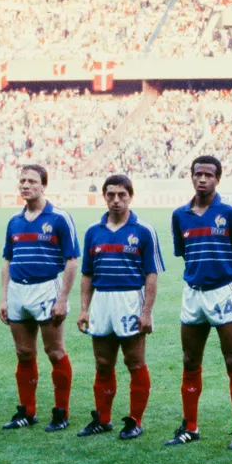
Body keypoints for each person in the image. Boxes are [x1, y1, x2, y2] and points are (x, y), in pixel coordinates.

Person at [166, 156, 232, 450]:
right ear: (191, 177)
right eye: (198, 174)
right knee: (190, 360)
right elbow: (183, 253)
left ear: (218, 179)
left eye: (208, 175)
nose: (202, 179)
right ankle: (190, 427)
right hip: (193, 292)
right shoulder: (180, 215)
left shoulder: (229, 212)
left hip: (223, 292)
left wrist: (231, 286)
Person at [76, 174, 165, 440]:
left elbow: (151, 274)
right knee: (103, 363)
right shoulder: (93, 231)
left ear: (130, 197)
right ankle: (102, 419)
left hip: (129, 300)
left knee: (134, 362)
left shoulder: (143, 230)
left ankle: (135, 420)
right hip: (102, 300)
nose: (116, 200)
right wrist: (84, 309)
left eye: (121, 195)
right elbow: (87, 275)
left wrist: (146, 312)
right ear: (104, 197)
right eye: (111, 195)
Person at [0, 164, 78, 432]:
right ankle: (27, 411)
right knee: (23, 353)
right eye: (22, 180)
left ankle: (61, 411)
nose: (25, 185)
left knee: (55, 352)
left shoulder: (58, 218)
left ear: (43, 185)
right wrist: (3, 298)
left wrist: (63, 298)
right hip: (18, 290)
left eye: (32, 181)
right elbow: (7, 260)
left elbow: (71, 261)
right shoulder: (14, 221)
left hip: (47, 288)